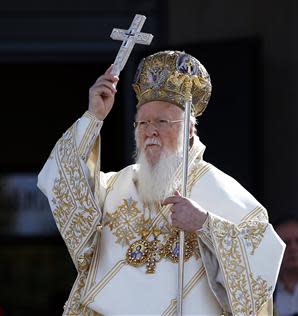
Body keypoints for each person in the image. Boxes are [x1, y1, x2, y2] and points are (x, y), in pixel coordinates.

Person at [37, 50, 285, 315]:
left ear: (190, 129)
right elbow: (59, 181)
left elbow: (262, 258)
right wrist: (93, 118)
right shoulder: (117, 185)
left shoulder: (217, 188)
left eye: (162, 121)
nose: (150, 130)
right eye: (142, 122)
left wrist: (205, 225)